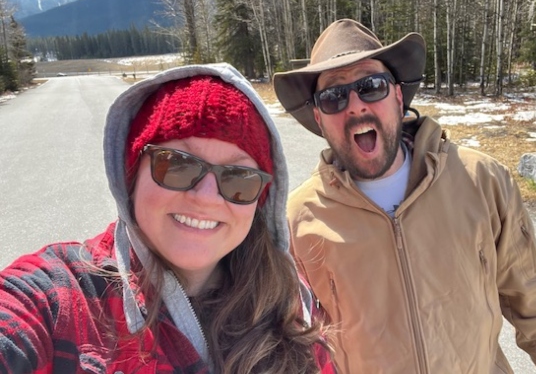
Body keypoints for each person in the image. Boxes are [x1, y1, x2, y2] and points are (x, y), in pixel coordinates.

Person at [273, 18, 536, 373]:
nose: (355, 105)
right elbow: (294, 345)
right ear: (318, 115)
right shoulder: (298, 220)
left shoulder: (481, 181)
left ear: (397, 96)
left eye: (371, 85)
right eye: (333, 96)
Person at [0, 63, 334, 373]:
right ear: (130, 175)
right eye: (177, 164)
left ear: (259, 200)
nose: (206, 197)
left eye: (238, 178)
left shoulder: (289, 305)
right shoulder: (65, 301)